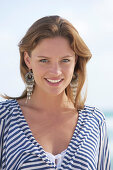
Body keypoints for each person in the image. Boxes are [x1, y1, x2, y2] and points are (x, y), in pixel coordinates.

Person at [0, 15, 111, 170]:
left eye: (65, 60)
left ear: (75, 61)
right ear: (28, 60)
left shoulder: (95, 121)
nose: (56, 71)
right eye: (44, 60)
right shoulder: (4, 117)